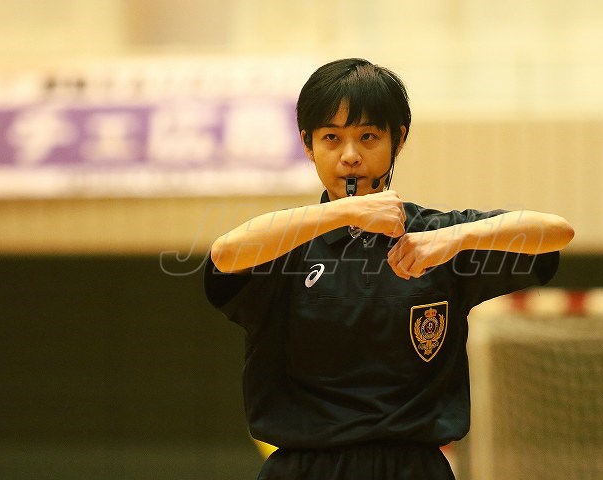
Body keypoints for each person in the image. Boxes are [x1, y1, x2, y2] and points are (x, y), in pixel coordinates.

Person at [204, 58, 574, 480]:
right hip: (303, 469)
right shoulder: (283, 243)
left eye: (368, 137)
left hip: (413, 468)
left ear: (397, 140)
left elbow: (555, 232)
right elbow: (223, 255)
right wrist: (344, 213)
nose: (350, 156)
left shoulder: (438, 237)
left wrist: (456, 238)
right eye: (331, 138)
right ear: (307, 144)